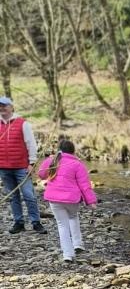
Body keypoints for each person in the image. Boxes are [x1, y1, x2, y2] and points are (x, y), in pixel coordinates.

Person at [37, 139, 97, 262]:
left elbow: (41, 175)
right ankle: (78, 244)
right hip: (72, 199)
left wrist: (48, 159)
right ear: (73, 151)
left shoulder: (52, 161)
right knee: (73, 217)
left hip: (54, 198)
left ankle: (67, 255)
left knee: (62, 225)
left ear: (59, 149)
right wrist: (90, 202)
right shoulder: (78, 164)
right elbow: (84, 185)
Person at [0, 96, 46, 234]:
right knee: (12, 196)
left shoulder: (23, 124)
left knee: (29, 195)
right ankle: (18, 222)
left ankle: (36, 222)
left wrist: (32, 163)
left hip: (21, 167)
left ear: (11, 107)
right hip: (3, 168)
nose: (2, 108)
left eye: (5, 105)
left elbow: (31, 144)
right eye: (0, 106)